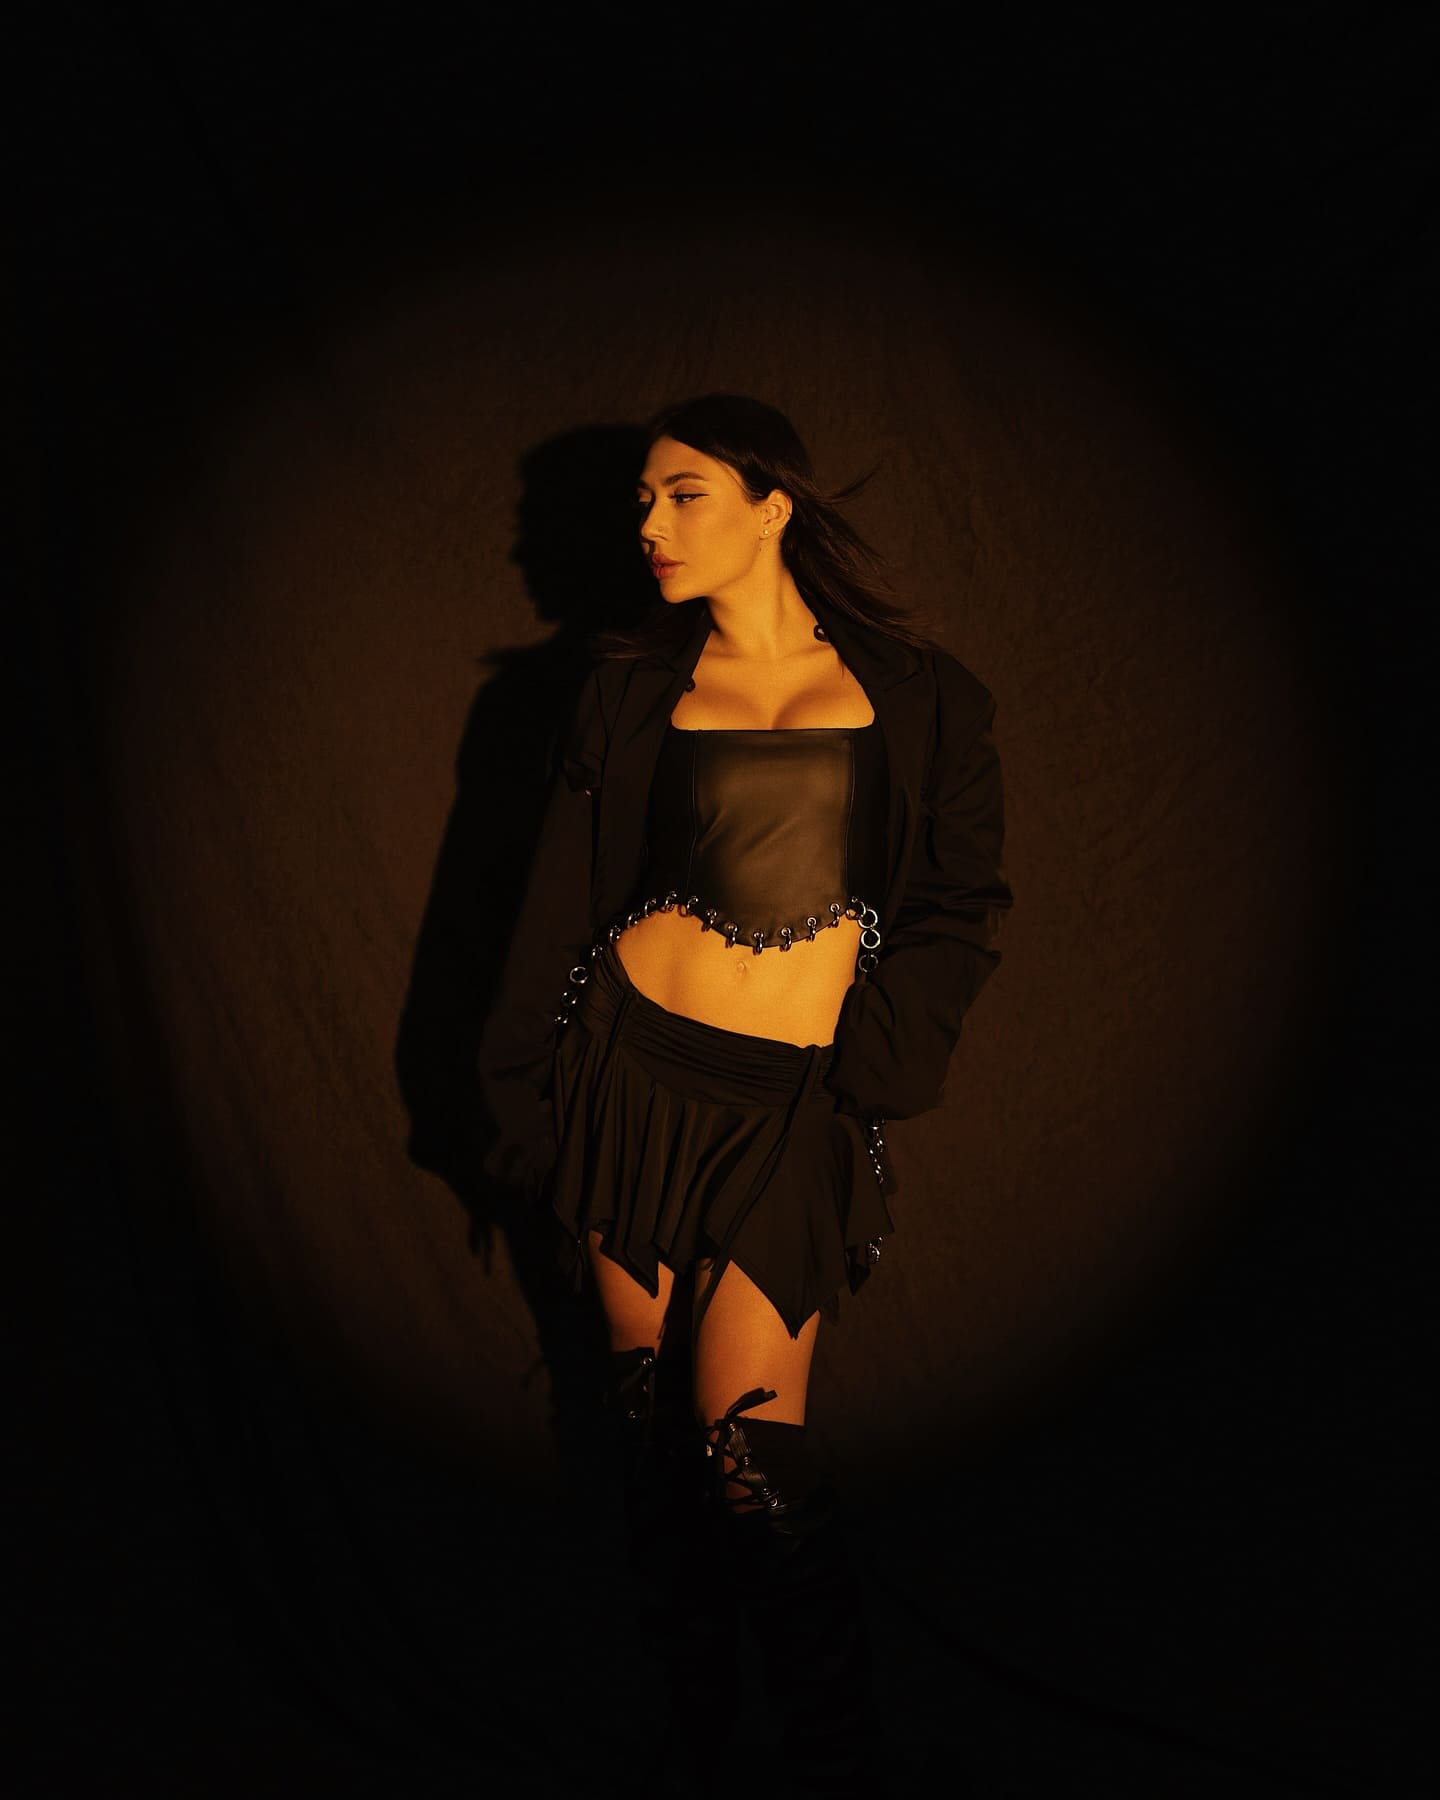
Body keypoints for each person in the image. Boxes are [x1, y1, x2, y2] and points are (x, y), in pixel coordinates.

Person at [478, 394, 1012, 1795]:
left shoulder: (923, 695)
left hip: (788, 1110)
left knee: (749, 1460)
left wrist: (877, 1065)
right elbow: (555, 905)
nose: (651, 527)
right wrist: (522, 1097)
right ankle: (695, 1745)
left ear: (773, 505)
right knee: (645, 1430)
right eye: (642, 503)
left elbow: (959, 903)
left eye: (684, 495)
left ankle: (837, 1760)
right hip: (627, 1079)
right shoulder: (628, 692)